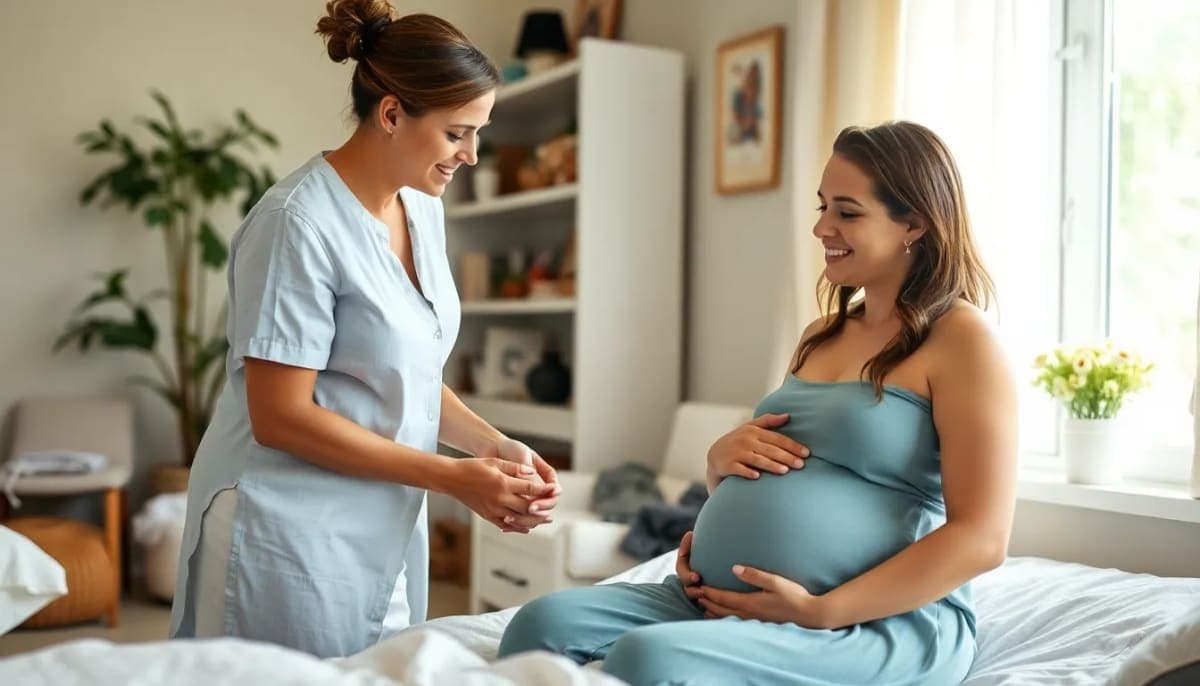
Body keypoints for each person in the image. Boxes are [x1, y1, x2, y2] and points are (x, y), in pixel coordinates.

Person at [498, 121, 1018, 685]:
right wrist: (717, 467)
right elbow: (781, 470)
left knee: (648, 662)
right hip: (717, 597)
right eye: (822, 207)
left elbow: (982, 538)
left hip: (872, 620)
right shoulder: (823, 334)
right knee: (539, 624)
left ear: (913, 222)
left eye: (847, 211)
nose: (822, 227)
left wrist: (820, 609)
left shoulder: (962, 341)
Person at [169, 1, 560, 658]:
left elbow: (403, 375)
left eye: (479, 133)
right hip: (282, 523)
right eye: (458, 133)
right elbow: (281, 417)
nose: (472, 155)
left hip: (375, 517)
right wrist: (451, 477)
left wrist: (491, 446)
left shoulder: (421, 209)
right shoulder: (296, 223)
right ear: (391, 114)